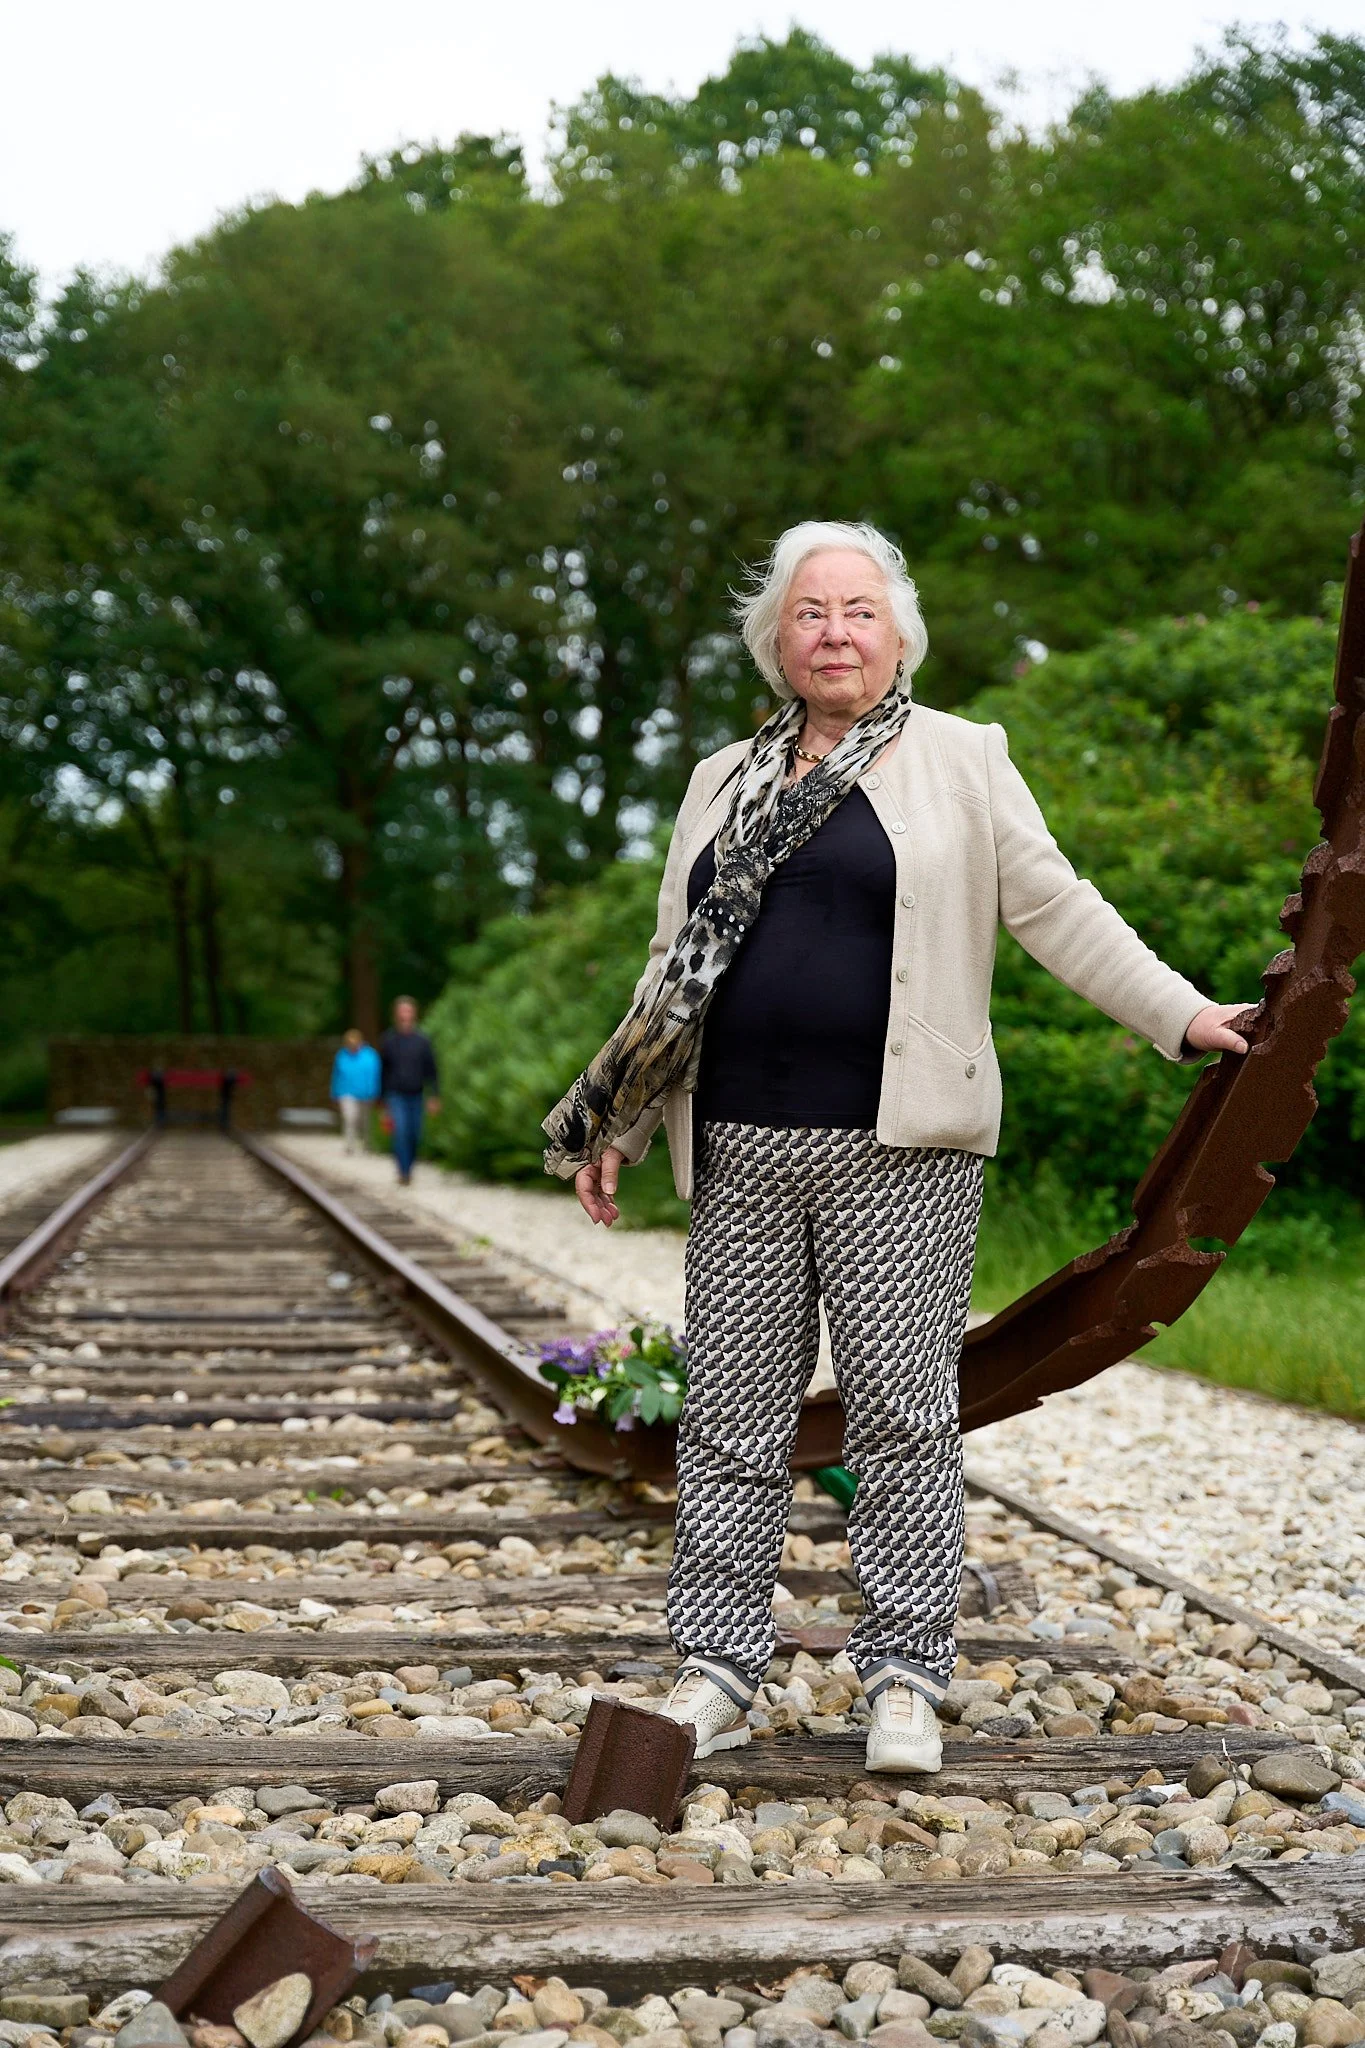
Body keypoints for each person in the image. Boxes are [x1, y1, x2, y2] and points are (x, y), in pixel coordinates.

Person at [542, 519, 1252, 1777]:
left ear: (900, 632)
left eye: (858, 610)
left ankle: (907, 1675)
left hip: (901, 1153)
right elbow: (674, 970)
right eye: (811, 612)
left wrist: (1182, 1013)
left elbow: (1057, 905)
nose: (835, 632)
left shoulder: (962, 761)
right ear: (777, 638)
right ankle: (716, 1668)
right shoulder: (718, 779)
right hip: (745, 1146)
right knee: (730, 1419)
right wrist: (614, 1113)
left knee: (905, 1419)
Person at [380, 997, 441, 1186]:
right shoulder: (388, 1040)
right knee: (401, 1132)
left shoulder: (423, 1041)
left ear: (414, 1013)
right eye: (402, 1011)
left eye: (408, 1011)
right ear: (396, 1015)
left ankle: (409, 1167)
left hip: (417, 1094)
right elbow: (383, 1071)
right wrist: (382, 1101)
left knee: (415, 1134)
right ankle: (403, 1171)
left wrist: (435, 1095)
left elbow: (432, 1070)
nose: (405, 1015)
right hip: (395, 1094)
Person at [330, 1029, 381, 1154]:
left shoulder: (370, 1056)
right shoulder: (342, 1056)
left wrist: (376, 1092)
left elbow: (376, 1075)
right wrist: (334, 1093)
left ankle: (366, 1144)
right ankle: (349, 1145)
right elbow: (336, 1075)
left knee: (365, 1121)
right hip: (346, 1093)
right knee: (349, 1118)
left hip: (366, 1093)